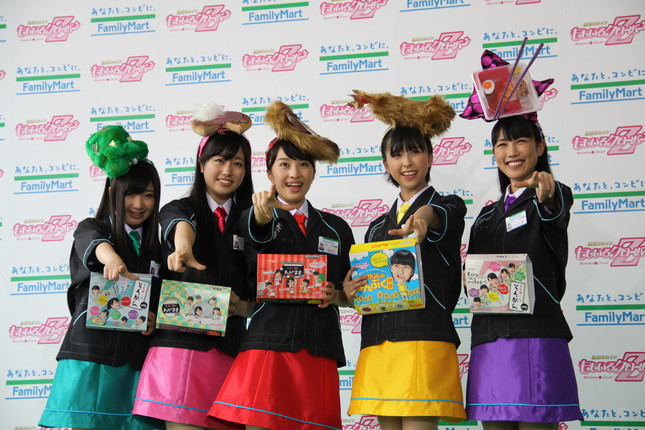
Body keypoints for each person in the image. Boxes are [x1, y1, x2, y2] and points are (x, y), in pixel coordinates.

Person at [208, 100, 354, 430]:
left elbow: (351, 294)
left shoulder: (336, 228)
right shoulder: (255, 215)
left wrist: (337, 296)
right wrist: (262, 216)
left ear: (313, 172)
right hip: (267, 345)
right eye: (284, 164)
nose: (294, 174)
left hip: (320, 347)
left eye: (303, 165)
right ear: (269, 172)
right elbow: (255, 234)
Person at [460, 49, 582, 429]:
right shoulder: (484, 216)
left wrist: (548, 191)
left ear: (539, 147)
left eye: (521, 142)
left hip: (536, 337)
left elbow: (554, 208)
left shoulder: (551, 194)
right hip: (489, 340)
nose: (511, 152)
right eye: (501, 145)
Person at [343, 90, 467, 430]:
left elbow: (435, 214)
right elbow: (371, 284)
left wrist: (423, 219)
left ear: (430, 156)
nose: (407, 162)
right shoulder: (376, 227)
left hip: (424, 338)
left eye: (415, 151)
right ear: (386, 164)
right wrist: (352, 291)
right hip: (379, 341)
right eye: (396, 154)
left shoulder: (450, 206)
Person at [133, 102, 256, 430]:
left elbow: (260, 286)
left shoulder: (253, 222)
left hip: (231, 349)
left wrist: (243, 307)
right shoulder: (179, 208)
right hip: (179, 348)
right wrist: (184, 248)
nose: (227, 170)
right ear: (201, 165)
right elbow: (179, 227)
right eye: (219, 160)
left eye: (237, 163)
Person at [39, 125, 162, 430]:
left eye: (148, 195)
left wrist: (154, 319)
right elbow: (96, 246)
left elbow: (158, 299)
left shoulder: (157, 248)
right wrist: (112, 259)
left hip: (137, 361)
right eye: (130, 193)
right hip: (92, 357)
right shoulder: (91, 228)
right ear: (112, 193)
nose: (139, 204)